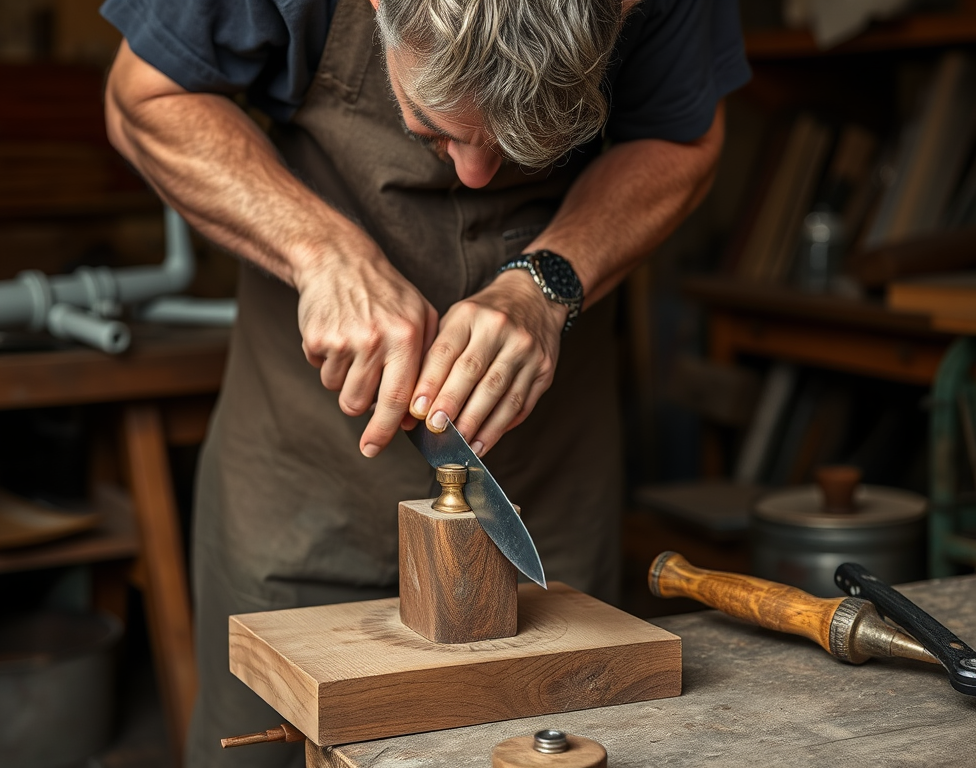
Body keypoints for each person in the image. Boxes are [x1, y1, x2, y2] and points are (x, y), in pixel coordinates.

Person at [100, 0, 750, 764]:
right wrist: (319, 250)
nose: (477, 173)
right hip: (301, 454)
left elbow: (682, 136)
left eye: (522, 141)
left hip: (545, 452)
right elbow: (145, 99)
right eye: (433, 126)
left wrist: (550, 278)